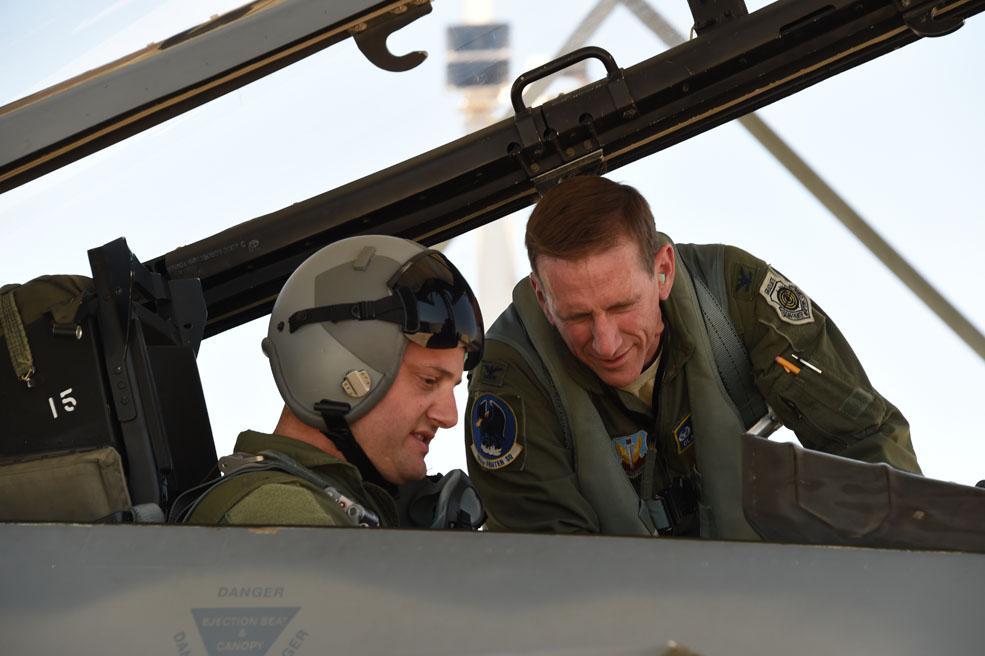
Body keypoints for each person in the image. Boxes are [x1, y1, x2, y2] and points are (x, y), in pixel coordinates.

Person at [464, 175, 921, 540]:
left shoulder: (733, 297)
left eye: (623, 307)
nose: (605, 342)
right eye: (578, 316)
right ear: (543, 301)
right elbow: (548, 572)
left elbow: (864, 440)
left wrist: (915, 550)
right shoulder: (509, 379)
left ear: (662, 271)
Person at [174, 235, 485, 527]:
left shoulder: (347, 506)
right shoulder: (283, 516)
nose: (449, 417)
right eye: (428, 381)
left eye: (453, 386)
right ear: (337, 371)